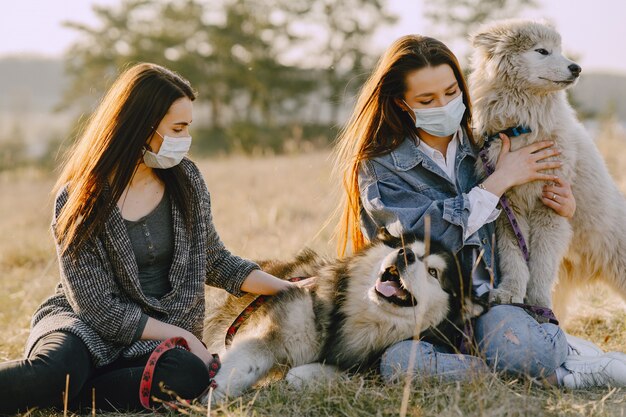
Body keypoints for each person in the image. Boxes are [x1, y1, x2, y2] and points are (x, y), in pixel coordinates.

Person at [0, 63, 300, 413]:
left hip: (154, 337)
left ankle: (73, 396)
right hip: (85, 325)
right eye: (178, 128)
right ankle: (62, 387)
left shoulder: (187, 181)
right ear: (142, 127)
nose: (185, 139)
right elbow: (98, 307)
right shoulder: (79, 198)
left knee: (188, 374)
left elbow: (215, 261)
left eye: (188, 127)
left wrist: (288, 288)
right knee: (56, 372)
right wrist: (186, 337)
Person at [333, 35, 626, 388]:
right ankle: (550, 366)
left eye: (451, 92)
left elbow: (527, 215)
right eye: (427, 100)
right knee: (399, 363)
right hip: (426, 309)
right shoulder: (381, 167)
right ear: (401, 104)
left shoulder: (485, 138)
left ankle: (556, 362)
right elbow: (423, 237)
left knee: (523, 351)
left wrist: (566, 204)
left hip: (489, 304)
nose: (443, 104)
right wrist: (497, 182)